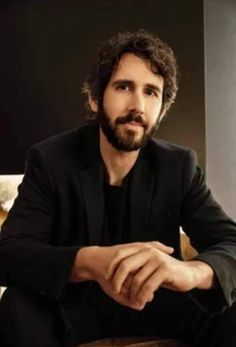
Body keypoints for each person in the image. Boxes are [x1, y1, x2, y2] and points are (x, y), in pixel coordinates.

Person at [0, 29, 236, 347]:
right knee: (16, 305)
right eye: (124, 87)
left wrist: (190, 272)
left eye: (151, 92)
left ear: (161, 109)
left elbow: (230, 243)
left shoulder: (179, 165)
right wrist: (92, 261)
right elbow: (9, 252)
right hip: (73, 310)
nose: (137, 105)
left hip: (158, 304)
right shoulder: (50, 159)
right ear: (96, 98)